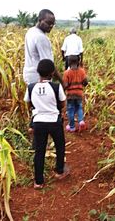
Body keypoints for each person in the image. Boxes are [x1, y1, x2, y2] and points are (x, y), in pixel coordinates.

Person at [24, 59, 69, 189]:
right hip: (54, 121)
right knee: (60, 146)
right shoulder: (56, 87)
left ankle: (38, 181)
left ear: (38, 72)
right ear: (52, 73)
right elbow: (62, 103)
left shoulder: (31, 87)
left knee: (39, 151)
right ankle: (59, 171)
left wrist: (37, 109)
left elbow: (29, 103)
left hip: (38, 122)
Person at [23, 9, 62, 85]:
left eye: (53, 24)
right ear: (40, 20)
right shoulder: (41, 38)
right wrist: (62, 82)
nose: (51, 26)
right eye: (48, 23)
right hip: (40, 79)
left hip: (29, 75)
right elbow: (48, 64)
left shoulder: (30, 31)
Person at [63, 55, 88, 132]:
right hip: (79, 93)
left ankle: (72, 126)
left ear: (69, 62)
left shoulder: (67, 73)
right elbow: (85, 82)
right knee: (79, 108)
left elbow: (66, 85)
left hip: (70, 95)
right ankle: (81, 121)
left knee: (70, 110)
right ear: (78, 62)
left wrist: (64, 89)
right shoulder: (82, 71)